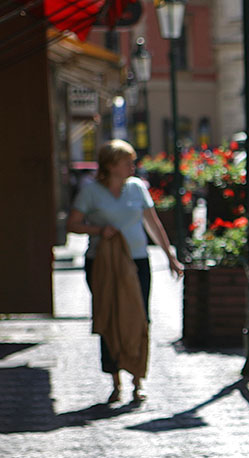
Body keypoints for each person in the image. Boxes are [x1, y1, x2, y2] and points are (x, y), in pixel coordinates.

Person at [66, 139, 183, 403]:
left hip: (137, 261)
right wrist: (99, 230)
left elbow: (153, 225)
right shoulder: (91, 192)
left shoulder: (137, 188)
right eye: (127, 161)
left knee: (138, 318)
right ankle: (115, 381)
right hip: (102, 263)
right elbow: (73, 225)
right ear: (111, 165)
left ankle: (137, 379)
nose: (133, 165)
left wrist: (170, 257)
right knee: (110, 317)